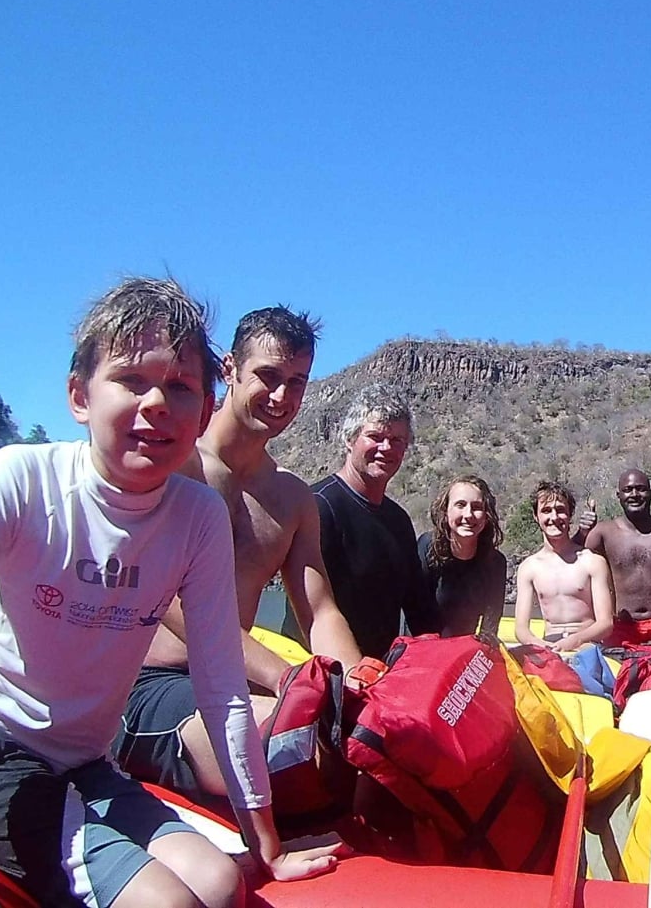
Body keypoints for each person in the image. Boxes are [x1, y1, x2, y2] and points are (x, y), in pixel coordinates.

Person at [0, 278, 339, 908]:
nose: (156, 403)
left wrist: (264, 840)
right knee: (170, 904)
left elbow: (221, 685)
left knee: (221, 884)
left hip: (85, 765)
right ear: (79, 395)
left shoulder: (197, 517)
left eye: (180, 387)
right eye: (131, 380)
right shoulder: (22, 481)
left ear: (204, 407)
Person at [112, 306, 362, 801]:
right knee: (300, 749)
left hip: (236, 683)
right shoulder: (175, 465)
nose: (282, 396)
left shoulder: (292, 498)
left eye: (296, 382)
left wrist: (359, 688)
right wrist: (283, 677)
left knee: (369, 744)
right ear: (229, 369)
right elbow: (166, 597)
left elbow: (319, 612)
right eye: (268, 376)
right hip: (146, 683)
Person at [291, 382, 441, 660]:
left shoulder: (399, 521)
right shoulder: (316, 507)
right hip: (316, 667)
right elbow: (310, 615)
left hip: (379, 674)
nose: (386, 448)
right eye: (375, 436)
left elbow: (420, 612)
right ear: (350, 440)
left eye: (397, 440)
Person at [585, 469, 651, 646]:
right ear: (619, 495)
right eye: (628, 490)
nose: (634, 494)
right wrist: (582, 532)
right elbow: (571, 559)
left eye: (640, 489)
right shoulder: (603, 533)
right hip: (620, 626)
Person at [514, 481, 614, 651]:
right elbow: (521, 629)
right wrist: (541, 645)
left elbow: (606, 623)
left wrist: (575, 641)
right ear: (536, 516)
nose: (554, 517)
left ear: (570, 515)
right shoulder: (528, 568)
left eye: (560, 510)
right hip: (549, 645)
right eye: (546, 511)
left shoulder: (593, 562)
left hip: (587, 644)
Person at [418, 474, 508, 637]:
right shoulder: (427, 547)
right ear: (445, 511)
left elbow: (489, 629)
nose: (468, 514)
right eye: (460, 505)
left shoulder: (495, 563)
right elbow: (413, 612)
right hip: (424, 645)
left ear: (487, 515)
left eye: (477, 507)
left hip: (465, 649)